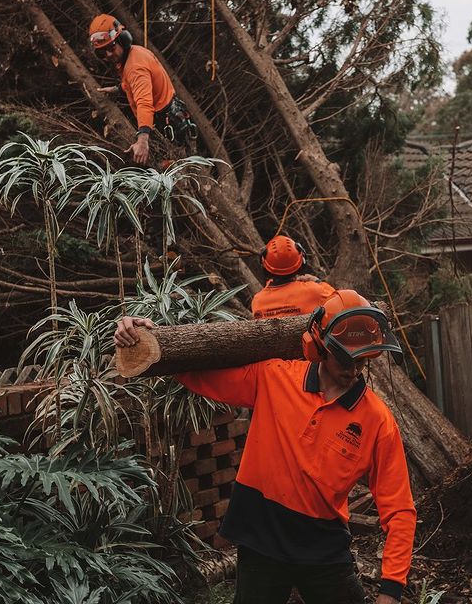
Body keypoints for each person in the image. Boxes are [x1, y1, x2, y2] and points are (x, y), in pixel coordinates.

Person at [114, 290, 415, 604]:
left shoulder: (377, 421)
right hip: (261, 536)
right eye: (346, 356)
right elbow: (200, 374)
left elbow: (400, 509)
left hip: (323, 546)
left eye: (364, 359)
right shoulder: (275, 377)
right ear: (320, 345)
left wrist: (391, 589)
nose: (354, 368)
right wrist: (152, 339)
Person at [88, 14, 196, 166]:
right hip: (170, 116)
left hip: (167, 125)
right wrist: (117, 88)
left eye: (111, 47)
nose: (108, 55)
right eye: (101, 52)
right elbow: (137, 84)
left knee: (180, 173)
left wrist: (143, 139)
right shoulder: (135, 53)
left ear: (123, 39)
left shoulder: (135, 66)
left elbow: (144, 102)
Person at [251, 235, 335, 319]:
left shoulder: (258, 301)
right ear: (302, 262)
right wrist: (317, 281)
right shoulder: (313, 291)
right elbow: (341, 303)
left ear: (265, 267)